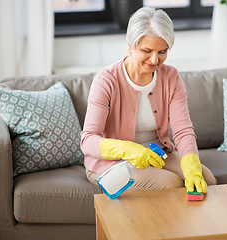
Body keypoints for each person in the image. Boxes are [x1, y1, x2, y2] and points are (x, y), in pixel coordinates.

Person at [80, 7, 216, 194]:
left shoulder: (171, 77)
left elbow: (183, 130)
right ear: (129, 46)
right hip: (112, 163)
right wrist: (127, 150)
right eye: (147, 50)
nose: (155, 60)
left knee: (206, 180)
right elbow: (88, 140)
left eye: (162, 51)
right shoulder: (106, 80)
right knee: (170, 184)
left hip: (158, 153)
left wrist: (192, 166)